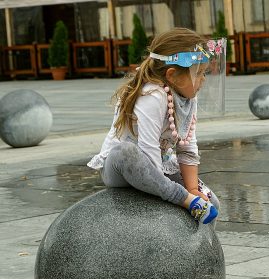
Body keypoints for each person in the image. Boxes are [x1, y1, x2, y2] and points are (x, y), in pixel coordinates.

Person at [87, 27, 225, 225]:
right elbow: (148, 147)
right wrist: (172, 193)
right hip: (122, 169)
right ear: (172, 75)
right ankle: (184, 199)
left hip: (161, 166)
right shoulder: (152, 95)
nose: (203, 80)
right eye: (199, 74)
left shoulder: (188, 97)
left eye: (204, 73)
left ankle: (196, 238)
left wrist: (193, 188)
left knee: (212, 203)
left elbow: (187, 146)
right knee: (126, 151)